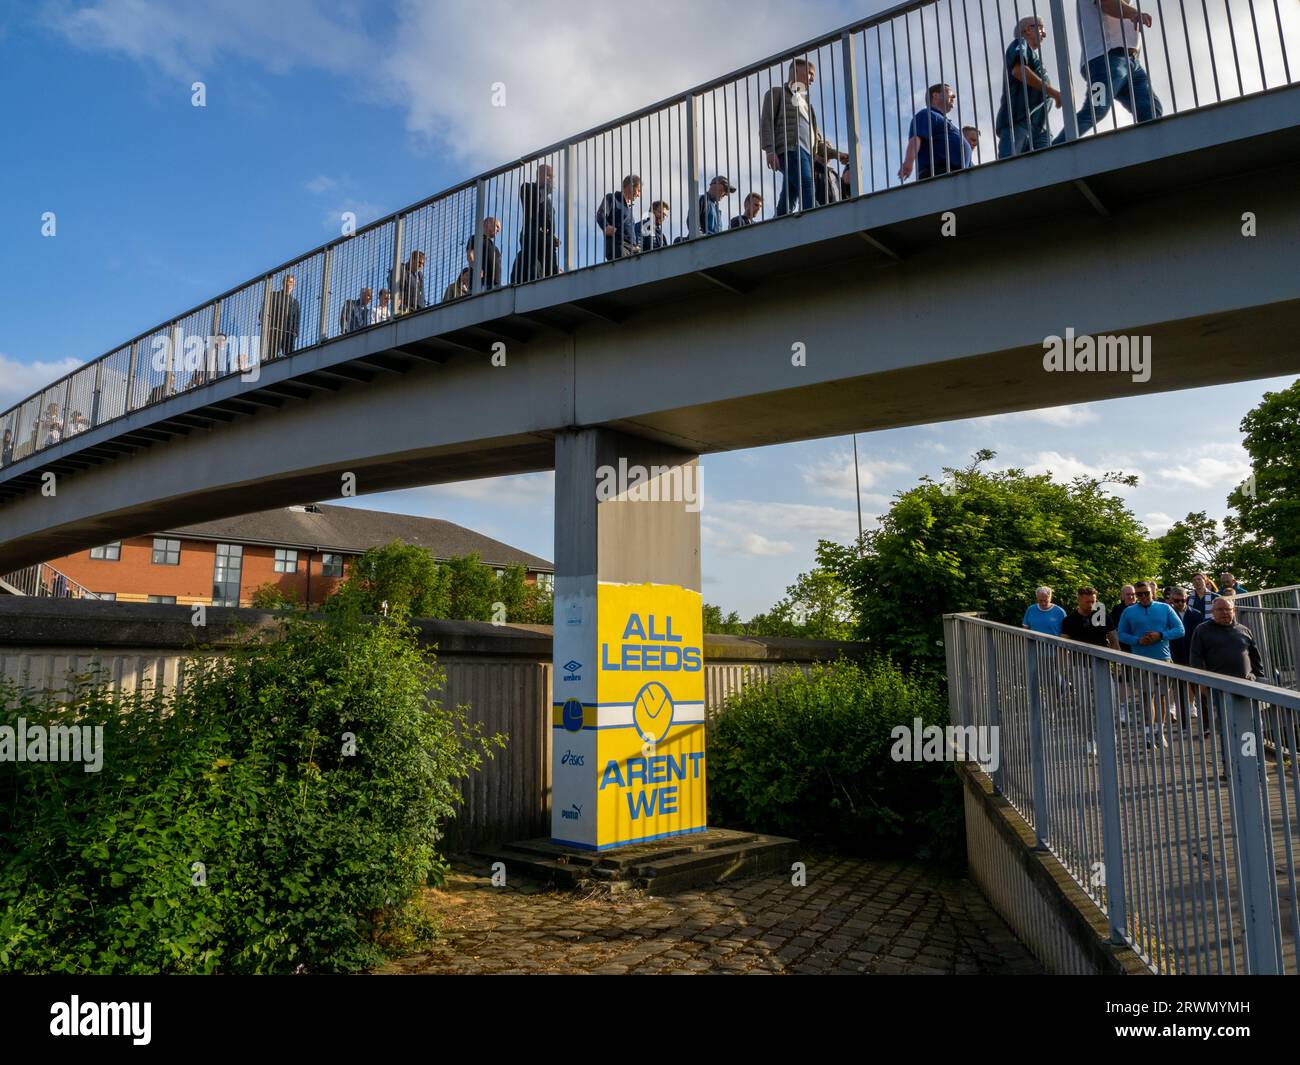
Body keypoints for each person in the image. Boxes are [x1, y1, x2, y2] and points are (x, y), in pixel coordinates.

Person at [1054, 0, 1164, 145]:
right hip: (1104, 63)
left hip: (1130, 64)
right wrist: (1135, 13)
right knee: (1096, 109)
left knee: (1150, 109)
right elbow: (1108, 3)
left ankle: (1154, 148)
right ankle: (1057, 148)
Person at [760, 57, 849, 216]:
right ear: (795, 70)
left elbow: (818, 143)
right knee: (807, 184)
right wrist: (770, 151)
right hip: (789, 148)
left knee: (789, 196)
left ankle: (777, 225)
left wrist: (837, 154)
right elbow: (766, 123)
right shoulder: (776, 93)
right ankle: (812, 219)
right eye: (809, 73)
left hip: (808, 154)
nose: (812, 78)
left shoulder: (808, 107)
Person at [1190, 597, 1265, 778]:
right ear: (1213, 612)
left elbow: (1255, 659)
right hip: (1220, 687)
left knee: (1253, 727)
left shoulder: (1243, 630)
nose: (1225, 613)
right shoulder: (1203, 630)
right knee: (1226, 728)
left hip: (1247, 685)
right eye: (1220, 610)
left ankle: (1255, 766)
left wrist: (1261, 682)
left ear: (1234, 610)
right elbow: (1195, 659)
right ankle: (1230, 767)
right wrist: (1201, 683)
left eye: (1228, 609)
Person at [1116, 581, 1184, 748]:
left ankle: (1159, 731)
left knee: (1161, 697)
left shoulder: (1165, 608)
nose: (1144, 597)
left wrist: (1160, 635)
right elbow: (1121, 634)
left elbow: (1180, 630)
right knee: (1147, 697)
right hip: (1140, 659)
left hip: (1162, 658)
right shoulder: (1129, 611)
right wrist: (1138, 640)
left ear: (1153, 592)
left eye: (1146, 593)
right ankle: (1148, 733)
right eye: (1139, 594)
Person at [995, 17, 1062, 159]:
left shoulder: (1034, 55)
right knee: (1010, 169)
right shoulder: (1020, 43)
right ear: (1028, 29)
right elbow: (1018, 71)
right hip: (1019, 120)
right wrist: (1054, 93)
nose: (1044, 34)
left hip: (1039, 125)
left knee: (1051, 166)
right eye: (1042, 29)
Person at [898, 83, 970, 181]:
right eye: (949, 92)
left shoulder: (945, 121)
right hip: (938, 173)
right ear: (935, 95)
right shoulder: (927, 114)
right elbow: (916, 138)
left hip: (957, 175)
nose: (954, 96)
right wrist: (908, 162)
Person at [512, 162, 561, 284]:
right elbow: (535, 202)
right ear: (539, 175)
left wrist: (553, 238)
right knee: (533, 269)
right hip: (531, 237)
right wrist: (546, 189)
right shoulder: (527, 188)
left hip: (547, 241)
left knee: (552, 273)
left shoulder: (549, 202)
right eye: (548, 176)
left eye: (552, 177)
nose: (551, 179)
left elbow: (548, 223)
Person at [596, 174, 642, 261]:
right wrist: (605, 226)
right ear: (631, 186)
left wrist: (635, 245)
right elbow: (600, 214)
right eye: (638, 190)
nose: (639, 195)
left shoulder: (628, 209)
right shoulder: (612, 198)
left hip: (632, 249)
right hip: (618, 245)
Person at [261, 274, 300, 360]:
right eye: (287, 282)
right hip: (274, 331)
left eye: (291, 283)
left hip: (288, 334)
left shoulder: (295, 302)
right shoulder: (273, 296)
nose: (289, 284)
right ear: (283, 283)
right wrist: (268, 327)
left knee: (290, 357)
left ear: (294, 285)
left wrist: (295, 333)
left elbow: (296, 320)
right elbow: (262, 313)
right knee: (272, 356)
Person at [466, 217, 503, 290]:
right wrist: (476, 268)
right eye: (497, 226)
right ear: (488, 223)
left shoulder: (495, 248)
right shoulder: (476, 238)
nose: (498, 230)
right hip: (481, 284)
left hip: (495, 285)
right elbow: (470, 255)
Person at [389, 251, 427, 316]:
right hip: (405, 310)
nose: (421, 266)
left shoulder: (419, 275)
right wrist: (398, 300)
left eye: (423, 264)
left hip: (419, 311)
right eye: (419, 262)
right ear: (412, 259)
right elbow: (391, 281)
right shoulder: (401, 269)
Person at [1105, 584, 1137, 651]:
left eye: (1133, 594)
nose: (1131, 597)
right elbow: (1113, 628)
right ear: (1122, 596)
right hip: (1122, 645)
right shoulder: (1117, 609)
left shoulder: (1141, 608)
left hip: (1138, 644)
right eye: (1128, 594)